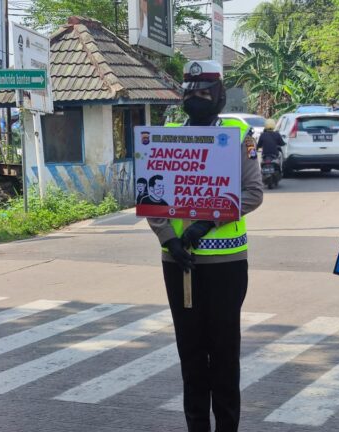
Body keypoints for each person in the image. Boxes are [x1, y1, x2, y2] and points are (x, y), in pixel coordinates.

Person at [148, 60, 264, 432]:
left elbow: (253, 192)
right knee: (191, 355)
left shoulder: (238, 134)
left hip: (226, 263)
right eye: (190, 92)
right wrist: (168, 237)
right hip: (178, 261)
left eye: (204, 92)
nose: (196, 99)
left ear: (219, 96)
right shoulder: (167, 137)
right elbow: (152, 197)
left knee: (225, 354)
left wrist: (208, 221)